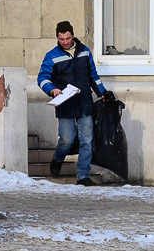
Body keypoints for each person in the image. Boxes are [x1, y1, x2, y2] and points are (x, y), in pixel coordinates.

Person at [38, 21, 115, 186]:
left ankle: (83, 176)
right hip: (65, 104)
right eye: (61, 39)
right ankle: (58, 159)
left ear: (72, 35)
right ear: (57, 38)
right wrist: (52, 90)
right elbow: (42, 78)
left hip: (84, 102)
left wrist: (102, 93)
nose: (65, 42)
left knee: (87, 139)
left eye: (67, 38)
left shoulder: (84, 51)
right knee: (67, 139)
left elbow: (93, 75)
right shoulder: (51, 56)